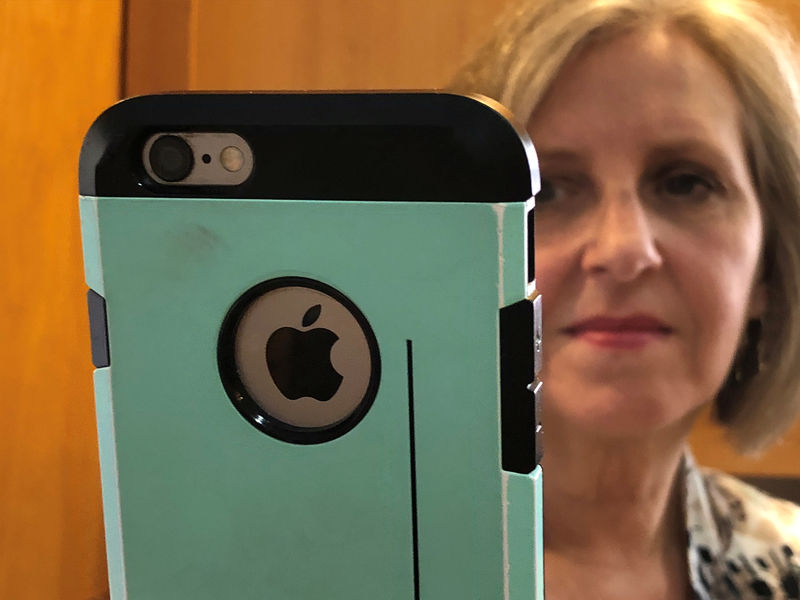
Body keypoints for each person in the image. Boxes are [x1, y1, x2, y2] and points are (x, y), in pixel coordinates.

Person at [453, 0, 800, 598]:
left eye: (684, 182)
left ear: (769, 266)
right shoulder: (333, 566)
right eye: (552, 189)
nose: (622, 250)